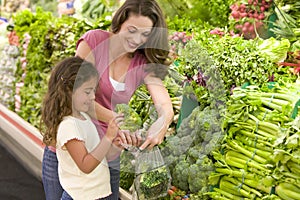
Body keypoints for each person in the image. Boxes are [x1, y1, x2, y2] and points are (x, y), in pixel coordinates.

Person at [75, 0, 174, 199]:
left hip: (107, 154)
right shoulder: (94, 41)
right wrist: (119, 123)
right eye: (132, 30)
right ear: (120, 21)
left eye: (145, 35)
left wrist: (161, 126)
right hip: (73, 147)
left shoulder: (142, 62)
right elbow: (77, 96)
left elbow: (164, 105)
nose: (137, 39)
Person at [40, 56, 129, 199]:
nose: (93, 97)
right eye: (87, 92)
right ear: (68, 90)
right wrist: (108, 137)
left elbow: (95, 154)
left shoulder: (83, 118)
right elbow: (86, 165)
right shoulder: (68, 127)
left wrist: (114, 147)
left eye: (94, 91)